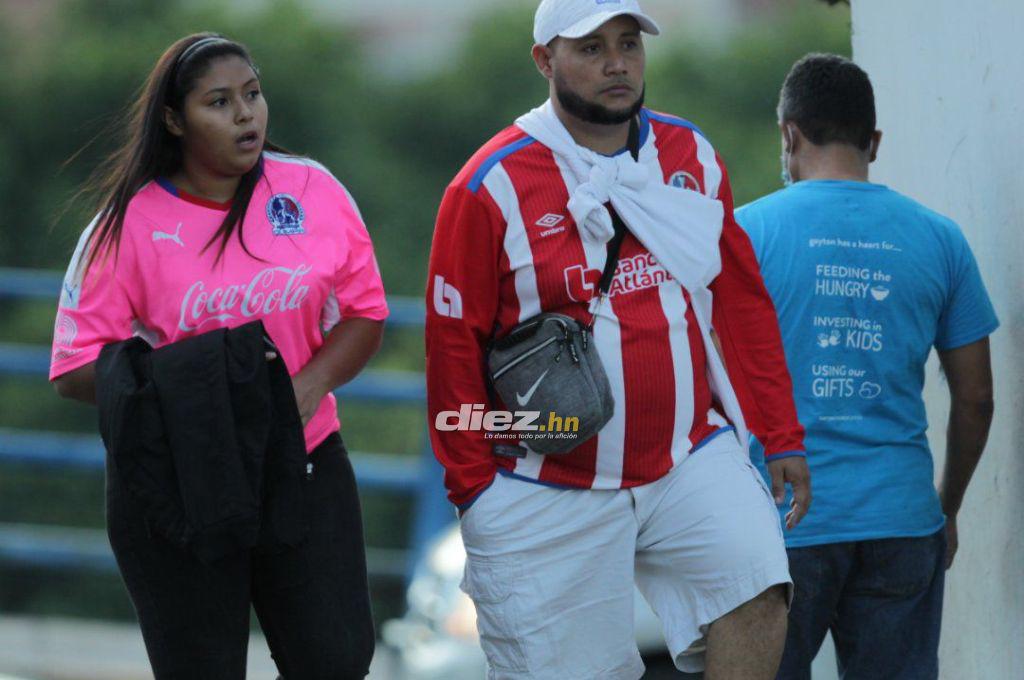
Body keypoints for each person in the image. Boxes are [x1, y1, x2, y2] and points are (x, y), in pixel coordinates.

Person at [425, 1, 812, 677]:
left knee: (758, 589)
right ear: (545, 60)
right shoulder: (487, 187)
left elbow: (741, 300)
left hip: (688, 454)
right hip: (545, 483)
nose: (616, 64)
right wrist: (475, 490)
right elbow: (451, 349)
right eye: (591, 47)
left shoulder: (689, 154)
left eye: (629, 44)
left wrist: (780, 434)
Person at [50, 33, 387, 679]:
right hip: (181, 477)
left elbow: (366, 314)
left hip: (303, 458)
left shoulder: (313, 190)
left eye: (253, 95)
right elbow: (73, 369)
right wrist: (204, 395)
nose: (246, 114)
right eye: (220, 101)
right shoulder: (125, 226)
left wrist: (302, 389)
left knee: (335, 660)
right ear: (176, 120)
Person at [736, 53, 998, 680]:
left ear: (788, 134)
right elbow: (977, 399)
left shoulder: (744, 235)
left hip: (779, 527)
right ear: (873, 141)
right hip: (902, 521)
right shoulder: (940, 239)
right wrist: (948, 507)